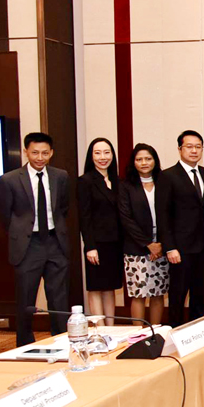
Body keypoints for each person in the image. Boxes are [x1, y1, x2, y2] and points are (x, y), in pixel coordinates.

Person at [0, 132, 70, 346]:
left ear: (51, 153)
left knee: (59, 298)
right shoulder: (9, 179)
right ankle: (25, 344)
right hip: (28, 245)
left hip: (55, 242)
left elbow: (63, 209)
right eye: (35, 153)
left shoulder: (60, 176)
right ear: (26, 152)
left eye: (45, 153)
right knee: (26, 299)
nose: (40, 157)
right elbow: (5, 215)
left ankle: (61, 341)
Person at [156, 130, 204, 327]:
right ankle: (174, 333)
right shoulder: (168, 176)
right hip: (180, 248)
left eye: (198, 147)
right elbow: (163, 214)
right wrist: (169, 247)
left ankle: (199, 334)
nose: (194, 151)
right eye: (189, 147)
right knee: (178, 295)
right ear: (179, 149)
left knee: (201, 294)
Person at [118, 144, 169, 326]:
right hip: (136, 247)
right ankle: (138, 335)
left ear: (155, 160)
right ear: (133, 162)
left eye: (148, 158)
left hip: (162, 246)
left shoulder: (164, 181)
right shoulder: (126, 185)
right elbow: (126, 218)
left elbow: (171, 213)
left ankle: (155, 332)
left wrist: (161, 243)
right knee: (139, 294)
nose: (144, 162)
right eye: (139, 159)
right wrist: (148, 244)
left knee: (158, 293)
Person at [78, 137, 123, 326]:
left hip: (115, 243)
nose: (102, 157)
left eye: (107, 152)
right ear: (91, 156)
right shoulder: (85, 181)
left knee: (110, 287)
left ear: (112, 155)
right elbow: (84, 217)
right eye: (97, 153)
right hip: (96, 244)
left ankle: (110, 328)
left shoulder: (117, 181)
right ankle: (99, 329)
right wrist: (90, 246)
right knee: (96, 287)